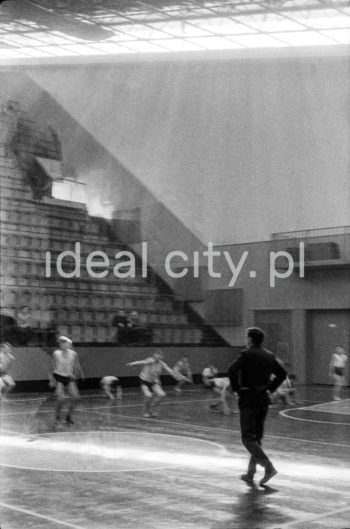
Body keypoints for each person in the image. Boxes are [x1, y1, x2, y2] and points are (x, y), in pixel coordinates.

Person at [228, 327, 287, 487]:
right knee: (257, 438)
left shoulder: (246, 354)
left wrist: (236, 390)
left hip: (248, 399)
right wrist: (270, 388)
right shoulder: (269, 355)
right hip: (263, 400)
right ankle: (250, 474)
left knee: (248, 438)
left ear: (250, 339)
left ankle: (268, 467)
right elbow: (282, 373)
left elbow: (232, 370)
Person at [127, 351, 183, 417]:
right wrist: (132, 363)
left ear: (161, 357)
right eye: (157, 355)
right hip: (143, 380)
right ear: (154, 355)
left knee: (162, 395)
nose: (158, 356)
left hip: (153, 382)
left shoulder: (162, 364)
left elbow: (169, 370)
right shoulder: (150, 360)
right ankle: (147, 412)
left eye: (160, 355)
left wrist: (174, 374)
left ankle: (152, 409)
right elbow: (142, 362)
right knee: (148, 396)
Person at [50, 336, 84, 427]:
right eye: (61, 343)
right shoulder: (56, 353)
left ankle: (68, 415)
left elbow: (76, 365)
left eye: (64, 343)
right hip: (58, 377)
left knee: (76, 397)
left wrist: (79, 374)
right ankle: (57, 416)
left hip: (68, 377)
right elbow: (52, 366)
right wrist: (51, 379)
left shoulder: (73, 354)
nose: (63, 344)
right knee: (61, 399)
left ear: (68, 344)